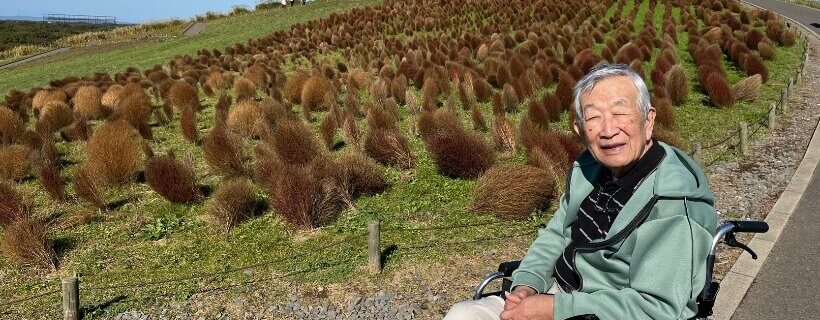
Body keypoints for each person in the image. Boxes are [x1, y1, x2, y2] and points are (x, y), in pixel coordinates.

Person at [444, 64, 718, 320]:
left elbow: (658, 308)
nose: (609, 130)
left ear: (648, 121)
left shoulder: (673, 201)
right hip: (557, 292)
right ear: (579, 130)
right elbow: (556, 234)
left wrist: (554, 309)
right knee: (463, 315)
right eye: (594, 118)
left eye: (621, 112)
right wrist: (527, 284)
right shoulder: (589, 169)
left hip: (608, 310)